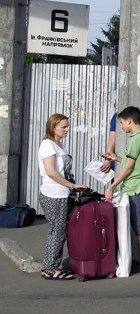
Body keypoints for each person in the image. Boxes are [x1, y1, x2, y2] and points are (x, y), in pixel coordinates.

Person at [37, 113, 88, 280]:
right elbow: (51, 172)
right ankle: (50, 268)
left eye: (67, 126)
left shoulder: (59, 146)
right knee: (57, 231)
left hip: (62, 193)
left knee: (61, 230)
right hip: (53, 194)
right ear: (53, 128)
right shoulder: (47, 145)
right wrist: (72, 185)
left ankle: (53, 265)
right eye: (63, 127)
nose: (67, 129)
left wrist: (73, 186)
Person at [104, 106, 140, 272]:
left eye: (122, 123)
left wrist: (111, 186)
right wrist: (116, 158)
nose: (122, 126)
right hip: (132, 188)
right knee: (137, 224)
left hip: (134, 189)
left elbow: (130, 168)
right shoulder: (139, 138)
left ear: (130, 121)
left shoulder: (136, 139)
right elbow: (130, 163)